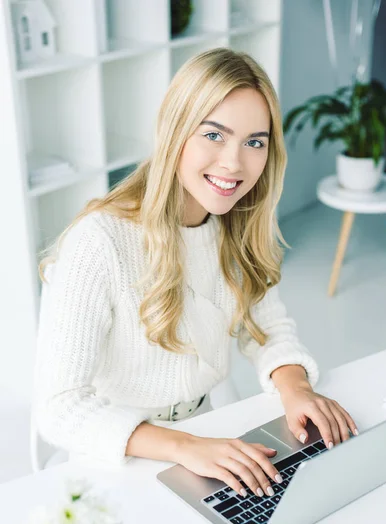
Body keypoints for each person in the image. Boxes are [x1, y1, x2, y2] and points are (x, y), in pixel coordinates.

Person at [34, 47, 358, 500]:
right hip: (122, 453)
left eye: (254, 142)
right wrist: (186, 446)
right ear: (176, 131)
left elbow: (267, 329)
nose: (234, 163)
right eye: (214, 135)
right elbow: (59, 409)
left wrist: (295, 386)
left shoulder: (236, 224)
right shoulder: (100, 242)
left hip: (206, 434)